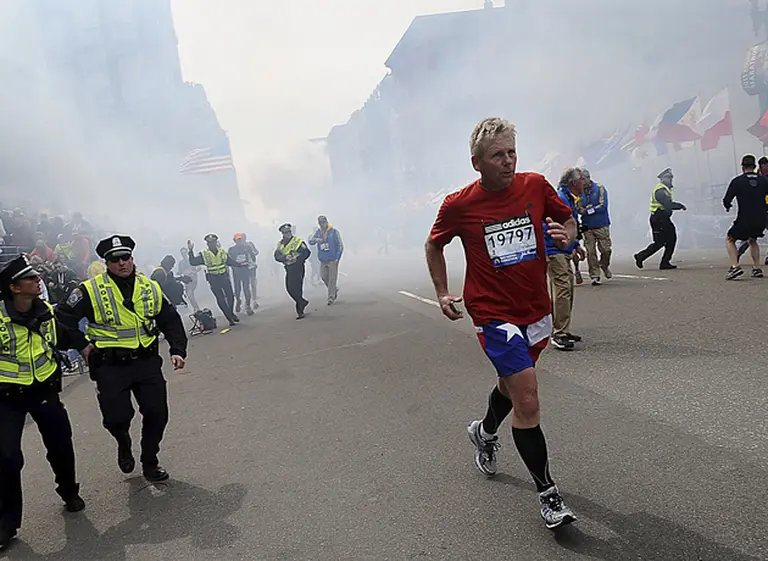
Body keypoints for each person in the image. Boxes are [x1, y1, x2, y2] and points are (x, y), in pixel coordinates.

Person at [425, 117, 577, 529]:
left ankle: (484, 431)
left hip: (535, 309)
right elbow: (434, 243)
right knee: (527, 396)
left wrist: (566, 235)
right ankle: (549, 496)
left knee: (511, 387)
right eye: (498, 155)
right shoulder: (459, 204)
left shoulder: (535, 185)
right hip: (493, 314)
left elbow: (567, 219)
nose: (508, 161)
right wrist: (442, 292)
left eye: (512, 152)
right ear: (477, 163)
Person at [55, 235, 188, 482]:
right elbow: (62, 317)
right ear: (106, 263)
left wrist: (177, 349)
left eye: (125, 258)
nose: (121, 263)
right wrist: (82, 345)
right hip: (110, 365)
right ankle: (123, 441)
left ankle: (150, 462)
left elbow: (169, 318)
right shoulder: (89, 289)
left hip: (146, 361)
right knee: (116, 418)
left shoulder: (149, 286)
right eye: (114, 260)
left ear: (132, 258)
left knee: (157, 413)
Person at [0, 255, 85, 549]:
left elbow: (64, 336)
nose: (38, 281)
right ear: (14, 287)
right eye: (31, 278)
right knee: (6, 457)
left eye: (37, 277)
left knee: (61, 445)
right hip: (7, 397)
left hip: (44, 390)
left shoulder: (46, 311)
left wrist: (85, 346)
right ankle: (6, 523)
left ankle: (69, 491)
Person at [545, 168, 585, 350]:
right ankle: (558, 333)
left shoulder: (569, 198)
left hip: (563, 250)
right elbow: (551, 225)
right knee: (561, 289)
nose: (585, 182)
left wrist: (575, 243)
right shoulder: (561, 198)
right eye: (582, 179)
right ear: (573, 182)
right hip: (555, 251)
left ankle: (563, 329)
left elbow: (568, 226)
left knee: (567, 288)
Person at [723, 154, 768, 280]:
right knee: (752, 240)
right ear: (754, 166)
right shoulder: (764, 180)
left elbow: (727, 199)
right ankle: (757, 268)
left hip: (744, 218)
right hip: (761, 219)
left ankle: (735, 266)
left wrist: (727, 206)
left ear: (742, 166)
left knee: (730, 239)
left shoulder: (737, 181)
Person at [634, 168, 686, 270]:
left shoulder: (665, 189)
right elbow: (667, 204)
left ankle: (664, 262)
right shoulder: (660, 190)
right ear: (662, 179)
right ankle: (641, 256)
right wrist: (679, 206)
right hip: (659, 219)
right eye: (668, 178)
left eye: (671, 178)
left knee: (670, 240)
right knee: (660, 242)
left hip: (663, 219)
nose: (670, 180)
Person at [187, 234, 243, 327]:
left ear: (216, 243)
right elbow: (193, 262)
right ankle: (229, 317)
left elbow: (229, 261)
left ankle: (230, 313)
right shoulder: (204, 254)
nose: (211, 244)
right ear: (207, 244)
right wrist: (190, 251)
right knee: (220, 298)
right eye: (209, 243)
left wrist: (240, 265)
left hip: (224, 277)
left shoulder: (222, 252)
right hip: (213, 279)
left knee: (230, 296)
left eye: (213, 242)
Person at [578, 169, 612, 285]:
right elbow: (577, 208)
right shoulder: (578, 191)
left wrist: (587, 211)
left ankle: (604, 264)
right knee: (590, 252)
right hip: (587, 226)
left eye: (583, 179)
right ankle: (595, 275)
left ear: (588, 178)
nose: (582, 182)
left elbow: (603, 206)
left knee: (606, 249)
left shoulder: (600, 188)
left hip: (601, 224)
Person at [274, 224, 311, 319]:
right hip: (289, 268)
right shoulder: (280, 244)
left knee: (298, 288)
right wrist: (285, 257)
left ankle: (300, 311)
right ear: (282, 233)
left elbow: (306, 253)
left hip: (298, 267)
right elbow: (277, 256)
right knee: (289, 288)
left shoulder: (298, 242)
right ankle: (302, 301)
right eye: (286, 232)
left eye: (289, 232)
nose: (288, 234)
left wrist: (297, 258)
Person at [308, 215, 344, 305]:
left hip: (332, 259)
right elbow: (310, 241)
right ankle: (333, 289)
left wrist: (337, 258)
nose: (322, 224)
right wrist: (317, 240)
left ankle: (331, 297)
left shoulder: (334, 232)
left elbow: (340, 245)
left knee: (332, 278)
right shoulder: (318, 232)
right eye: (320, 223)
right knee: (324, 277)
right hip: (323, 259)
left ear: (327, 222)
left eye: (323, 222)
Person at [228, 233, 258, 316]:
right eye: (237, 240)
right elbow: (228, 260)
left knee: (246, 288)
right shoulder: (231, 249)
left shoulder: (247, 247)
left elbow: (252, 257)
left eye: (240, 240)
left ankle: (248, 306)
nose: (239, 241)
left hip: (245, 270)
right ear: (234, 241)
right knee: (237, 289)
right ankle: (238, 300)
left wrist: (251, 265)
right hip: (236, 271)